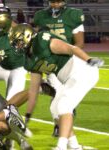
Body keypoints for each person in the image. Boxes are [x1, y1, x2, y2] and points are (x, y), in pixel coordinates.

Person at [8, 23, 104, 150]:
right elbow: (34, 88)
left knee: (64, 105)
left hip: (83, 70)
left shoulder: (43, 41)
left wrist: (89, 60)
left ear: (27, 36)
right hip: (68, 78)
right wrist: (28, 114)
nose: (17, 46)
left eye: (18, 41)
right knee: (55, 108)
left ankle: (61, 146)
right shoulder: (29, 61)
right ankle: (75, 147)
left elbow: (71, 49)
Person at [33, 0, 85, 137]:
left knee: (63, 95)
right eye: (52, 2)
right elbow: (38, 39)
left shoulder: (73, 15)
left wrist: (68, 55)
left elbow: (79, 43)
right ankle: (59, 123)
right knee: (57, 93)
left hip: (67, 61)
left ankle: (61, 124)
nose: (55, 5)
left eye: (57, 2)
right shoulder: (41, 16)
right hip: (50, 60)